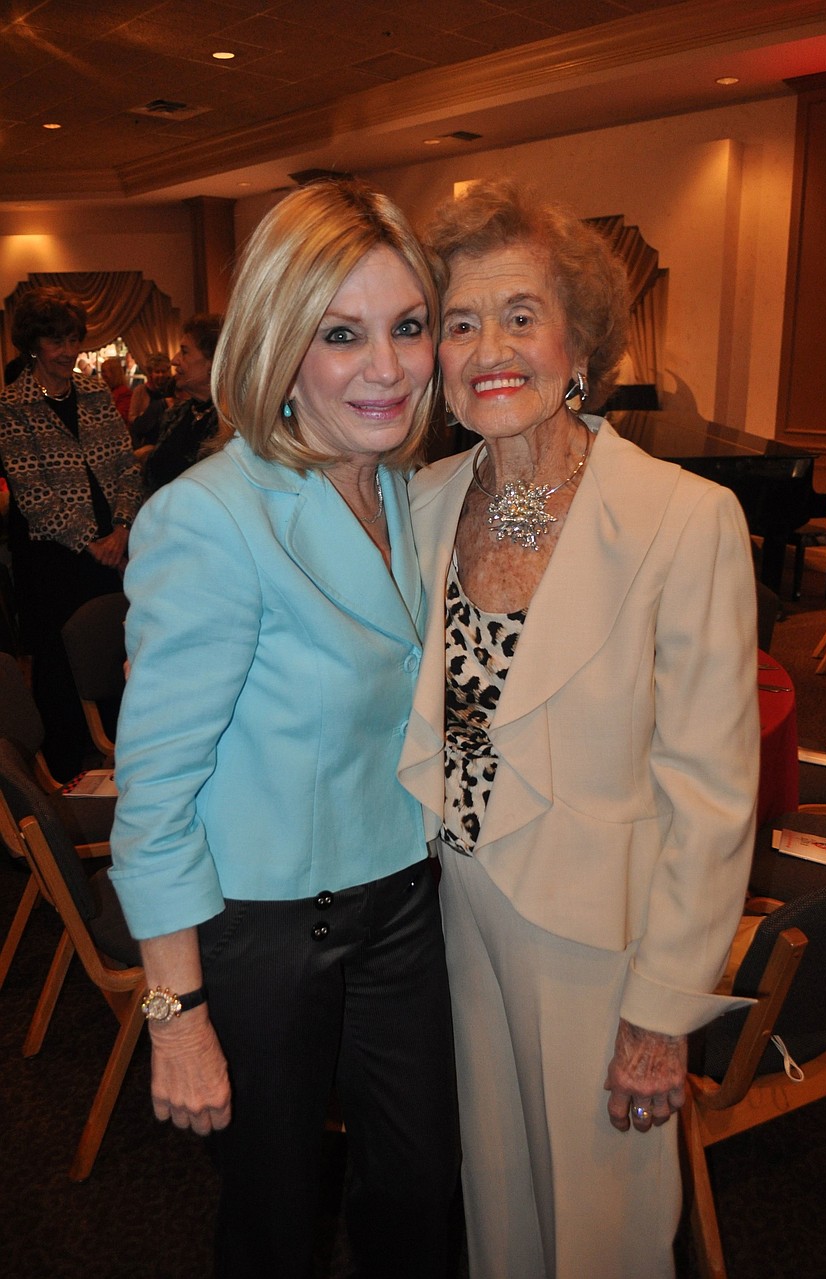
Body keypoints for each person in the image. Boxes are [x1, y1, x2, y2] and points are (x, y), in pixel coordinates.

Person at [398, 180, 760, 1278]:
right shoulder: (422, 501)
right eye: (459, 321)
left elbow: (709, 791)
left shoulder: (682, 518)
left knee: (601, 1232)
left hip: (599, 940)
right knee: (494, 1201)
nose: (489, 347)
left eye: (520, 314)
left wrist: (662, 1013)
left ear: (579, 343)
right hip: (451, 910)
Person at [108, 179, 460, 1279]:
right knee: (272, 1218)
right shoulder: (209, 517)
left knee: (418, 1189)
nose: (388, 368)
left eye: (407, 328)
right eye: (341, 333)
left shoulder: (404, 487)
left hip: (403, 897)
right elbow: (153, 798)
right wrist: (176, 1015)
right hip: (266, 930)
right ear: (278, 346)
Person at [0, 287, 141, 777]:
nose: (68, 352)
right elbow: (33, 495)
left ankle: (120, 758)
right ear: (33, 344)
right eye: (56, 341)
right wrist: (92, 542)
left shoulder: (97, 392)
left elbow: (126, 466)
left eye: (73, 340)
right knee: (60, 663)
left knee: (113, 651)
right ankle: (65, 773)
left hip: (112, 545)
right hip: (52, 556)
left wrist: (121, 527)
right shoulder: (12, 405)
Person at [142, 314, 222, 493]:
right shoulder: (175, 413)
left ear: (212, 362)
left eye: (184, 351)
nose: (174, 360)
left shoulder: (233, 421)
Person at [127, 350, 173, 451]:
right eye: (157, 372)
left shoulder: (172, 389)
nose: (161, 375)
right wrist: (145, 417)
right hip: (146, 443)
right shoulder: (140, 390)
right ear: (150, 373)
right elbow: (131, 417)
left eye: (163, 371)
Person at [100, 355, 133, 425]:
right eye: (102, 372)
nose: (102, 375)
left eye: (104, 372)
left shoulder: (124, 393)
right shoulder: (106, 391)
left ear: (114, 373)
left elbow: (119, 417)